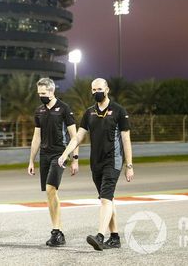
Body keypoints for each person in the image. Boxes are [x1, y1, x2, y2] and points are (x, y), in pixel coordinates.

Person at [58, 77, 134, 251]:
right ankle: (115, 238)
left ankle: (100, 236)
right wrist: (65, 153)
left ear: (107, 89)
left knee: (106, 199)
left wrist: (129, 165)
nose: (96, 92)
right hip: (96, 163)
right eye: (93, 90)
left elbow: (126, 139)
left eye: (99, 89)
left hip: (113, 161)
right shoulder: (89, 112)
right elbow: (78, 136)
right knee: (107, 200)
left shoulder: (119, 111)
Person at [27, 77, 78, 247]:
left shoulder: (64, 108)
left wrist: (74, 159)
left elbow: (74, 136)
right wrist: (31, 160)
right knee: (50, 194)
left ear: (52, 91)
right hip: (44, 155)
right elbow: (36, 137)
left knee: (50, 189)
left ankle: (56, 231)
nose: (41, 96)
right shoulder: (39, 111)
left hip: (60, 154)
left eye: (43, 93)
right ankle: (58, 231)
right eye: (39, 93)